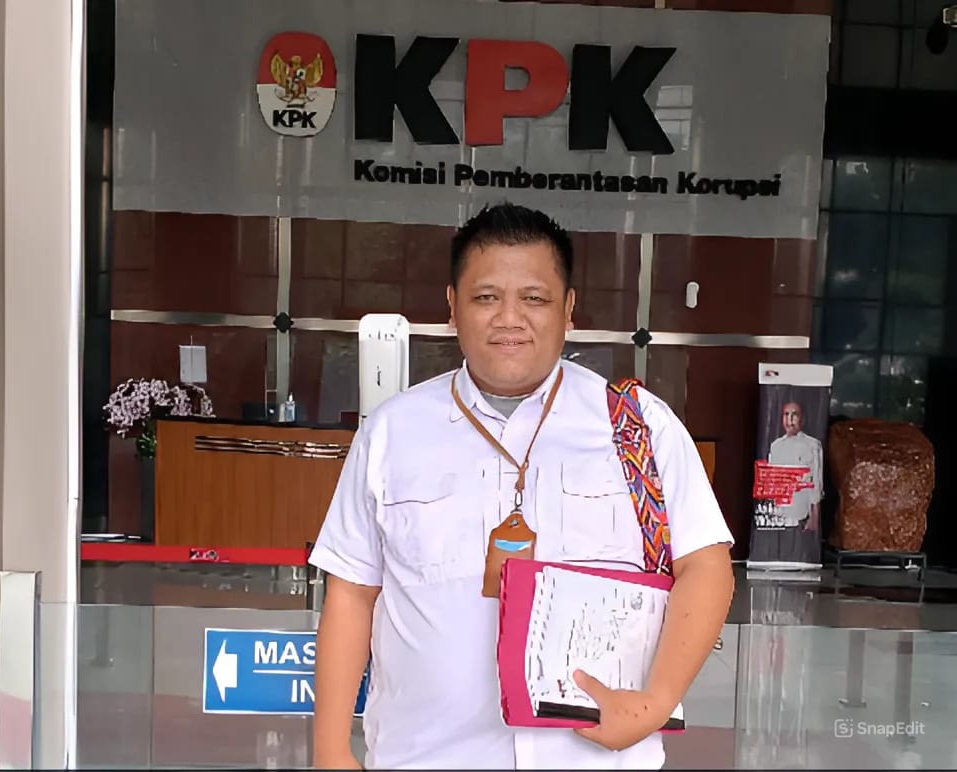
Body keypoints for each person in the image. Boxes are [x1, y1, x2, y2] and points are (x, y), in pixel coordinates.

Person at [308, 203, 735, 770]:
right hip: (427, 758)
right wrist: (331, 752)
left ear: (569, 309)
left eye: (534, 298)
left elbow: (705, 566)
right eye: (486, 297)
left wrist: (656, 702)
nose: (509, 318)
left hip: (594, 762)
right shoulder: (392, 432)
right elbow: (351, 592)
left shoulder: (638, 428)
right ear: (452, 306)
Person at [767, 401, 822, 533]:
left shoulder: (812, 445)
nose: (790, 419)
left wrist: (814, 516)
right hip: (779, 515)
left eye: (794, 415)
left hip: (801, 515)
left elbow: (817, 483)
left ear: (802, 419)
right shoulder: (775, 446)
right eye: (786, 414)